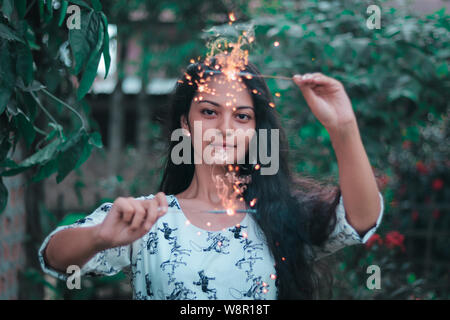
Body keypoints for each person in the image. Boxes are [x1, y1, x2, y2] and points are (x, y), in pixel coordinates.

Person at [39, 56, 384, 300]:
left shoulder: (282, 216)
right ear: (186, 125)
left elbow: (360, 220)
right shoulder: (148, 218)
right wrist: (100, 236)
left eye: (242, 116)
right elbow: (54, 256)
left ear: (255, 131)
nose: (224, 129)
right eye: (209, 112)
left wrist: (343, 129)